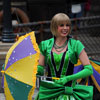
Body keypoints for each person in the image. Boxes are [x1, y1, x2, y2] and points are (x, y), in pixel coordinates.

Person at [35, 13, 93, 100]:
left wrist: (69, 78)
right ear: (54, 27)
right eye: (61, 25)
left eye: (67, 25)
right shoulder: (45, 45)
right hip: (50, 93)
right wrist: (31, 71)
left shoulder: (75, 45)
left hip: (68, 93)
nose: (65, 28)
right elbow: (40, 68)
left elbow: (89, 69)